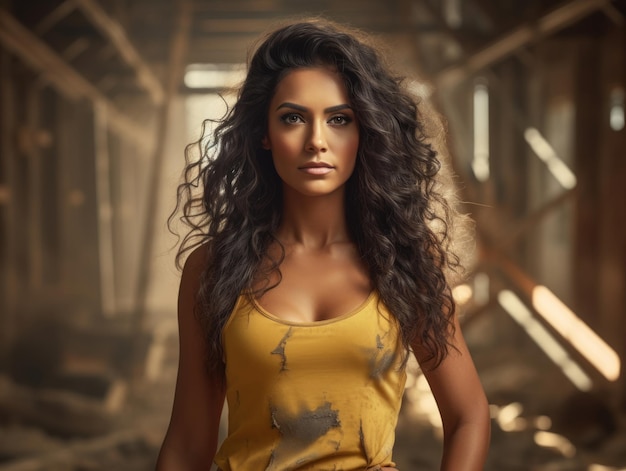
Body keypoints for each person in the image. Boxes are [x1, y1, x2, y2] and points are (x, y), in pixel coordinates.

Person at [156, 19, 490, 471]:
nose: (316, 141)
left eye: (339, 120)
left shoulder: (404, 258)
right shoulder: (213, 268)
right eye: (293, 118)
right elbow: (187, 445)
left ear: (364, 132)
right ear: (264, 135)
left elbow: (468, 416)